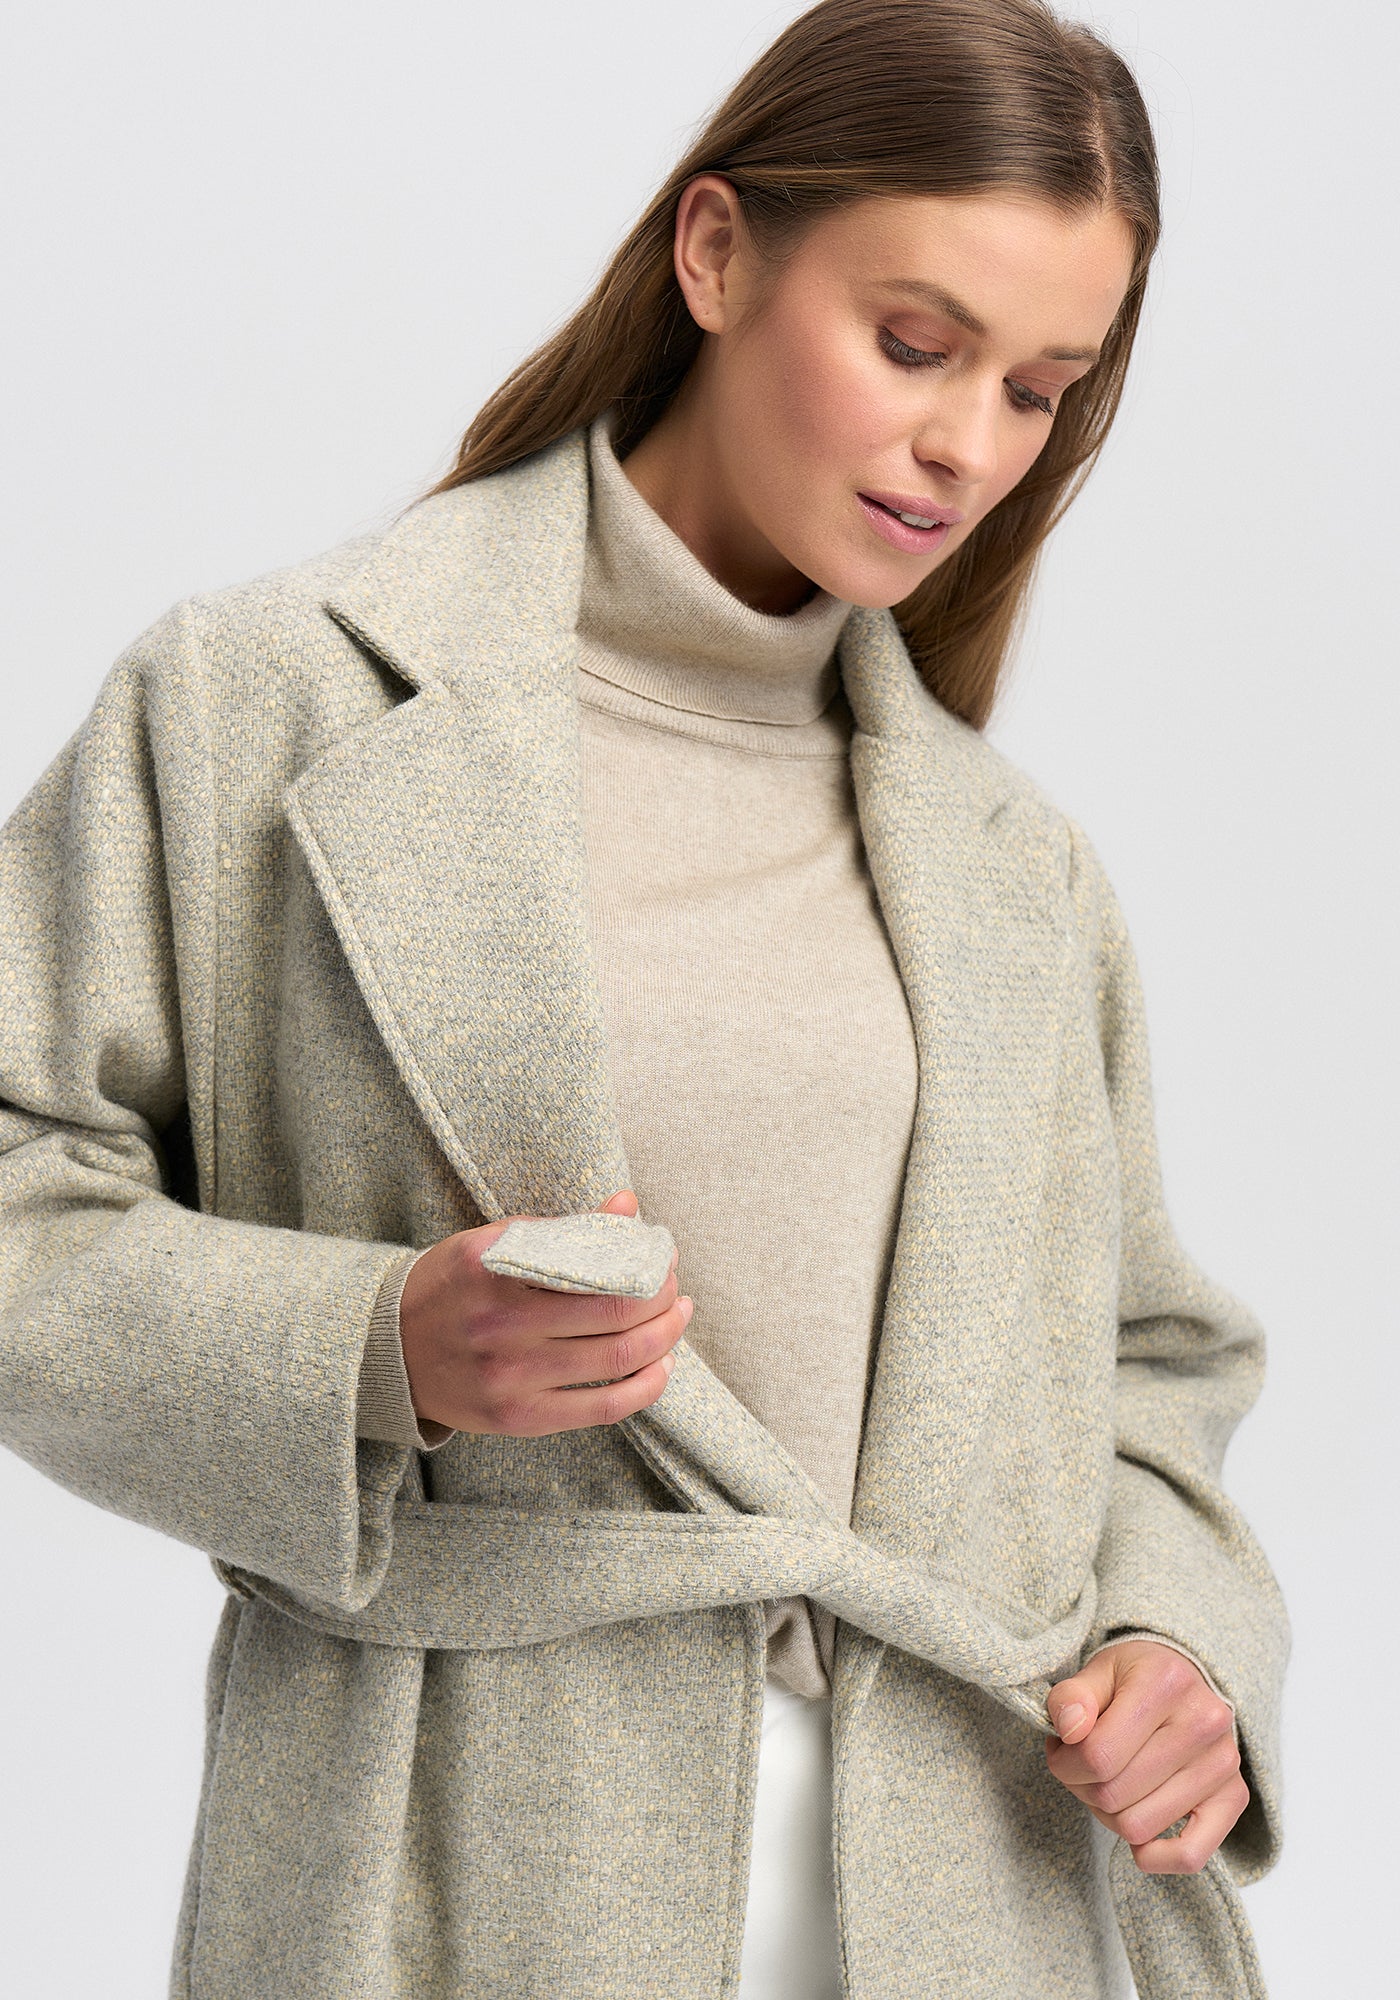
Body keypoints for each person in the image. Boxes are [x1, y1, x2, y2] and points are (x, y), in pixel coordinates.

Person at [0, 0, 1289, 1994]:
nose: (969, 447)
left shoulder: (1016, 870)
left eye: (1041, 390)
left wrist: (1180, 1643)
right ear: (714, 253)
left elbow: (1149, 1358)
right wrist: (369, 1349)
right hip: (448, 1862)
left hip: (976, 1881)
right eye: (915, 343)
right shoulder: (265, 703)